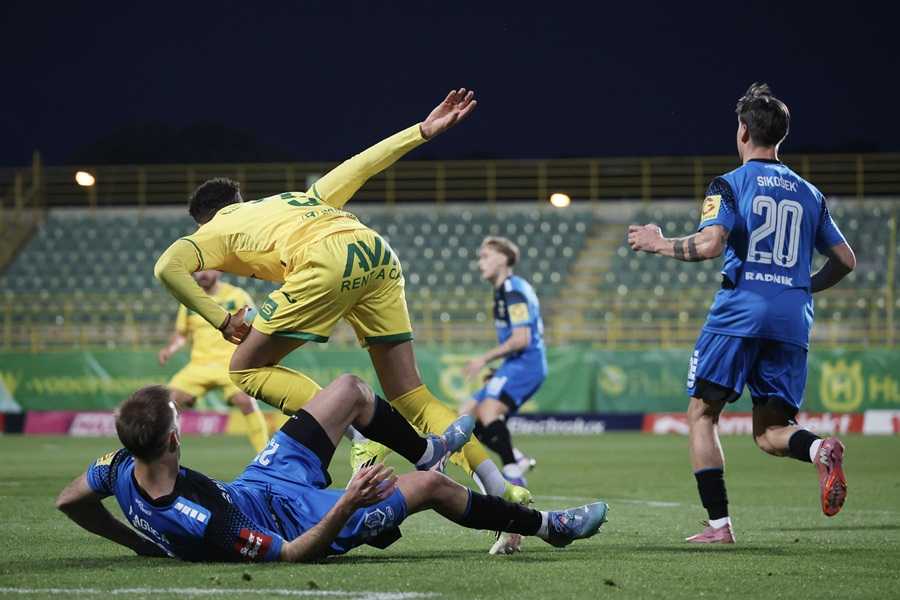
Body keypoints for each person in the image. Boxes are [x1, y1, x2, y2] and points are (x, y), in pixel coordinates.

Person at [153, 89, 529, 508]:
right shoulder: (294, 200)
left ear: (204, 218)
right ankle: (499, 486)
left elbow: (166, 268)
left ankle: (360, 434)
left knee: (244, 369)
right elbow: (361, 165)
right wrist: (422, 131)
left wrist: (223, 321)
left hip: (323, 262)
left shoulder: (212, 231)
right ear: (240, 201)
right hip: (376, 253)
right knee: (410, 394)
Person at [627, 83, 854, 544]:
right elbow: (846, 260)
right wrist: (800, 286)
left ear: (744, 130)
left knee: (702, 413)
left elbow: (710, 244)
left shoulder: (729, 184)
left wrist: (657, 243)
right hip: (792, 317)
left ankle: (719, 527)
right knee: (771, 430)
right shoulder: (811, 193)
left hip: (739, 314)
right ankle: (818, 450)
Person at [55, 380, 608, 562]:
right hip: (299, 521)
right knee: (435, 487)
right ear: (174, 438)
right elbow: (293, 556)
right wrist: (350, 498)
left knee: (347, 390)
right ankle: (549, 529)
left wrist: (136, 545)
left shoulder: (117, 467)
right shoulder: (201, 522)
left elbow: (68, 500)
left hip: (258, 485)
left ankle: (424, 446)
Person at [459, 236, 548, 487]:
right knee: (465, 416)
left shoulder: (513, 291)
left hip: (526, 363)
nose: (480, 263)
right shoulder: (504, 291)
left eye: (485, 256)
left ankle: (513, 476)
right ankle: (515, 458)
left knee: (488, 411)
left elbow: (521, 339)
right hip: (513, 365)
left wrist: (483, 359)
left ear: (504, 259)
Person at [158, 269, 269, 452]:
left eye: (206, 270)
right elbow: (181, 334)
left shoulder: (237, 295)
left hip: (231, 363)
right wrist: (169, 349)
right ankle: (164, 456)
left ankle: (265, 457)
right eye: (197, 271)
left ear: (218, 271)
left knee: (245, 401)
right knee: (169, 404)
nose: (201, 275)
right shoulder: (190, 301)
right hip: (199, 366)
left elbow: (256, 323)